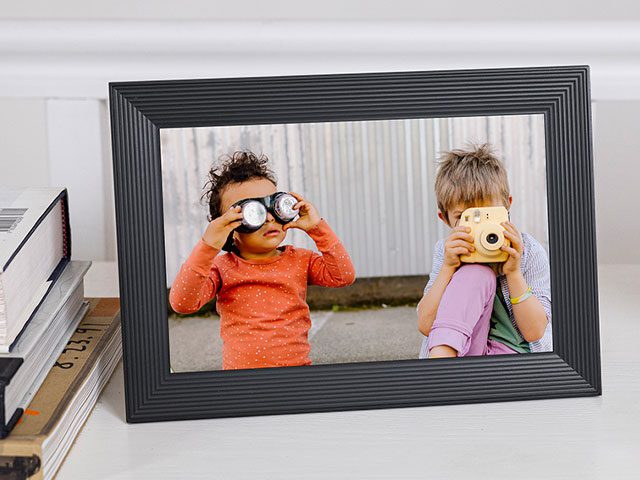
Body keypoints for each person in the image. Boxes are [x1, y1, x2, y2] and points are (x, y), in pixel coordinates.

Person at [170, 151, 355, 370]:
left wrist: (317, 228)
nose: (269, 217)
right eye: (251, 212)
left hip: (297, 374)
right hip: (241, 382)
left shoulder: (300, 260)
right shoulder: (222, 268)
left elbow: (343, 276)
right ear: (230, 229)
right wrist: (208, 245)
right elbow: (182, 303)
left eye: (273, 205)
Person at [417, 144, 552, 358]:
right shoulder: (446, 252)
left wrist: (514, 273)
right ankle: (441, 366)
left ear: (507, 206)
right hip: (463, 352)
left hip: (512, 356)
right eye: (465, 217)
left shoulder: (529, 252)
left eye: (488, 215)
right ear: (445, 219)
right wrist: (448, 268)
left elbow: (535, 332)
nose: (480, 230)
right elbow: (425, 324)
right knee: (476, 273)